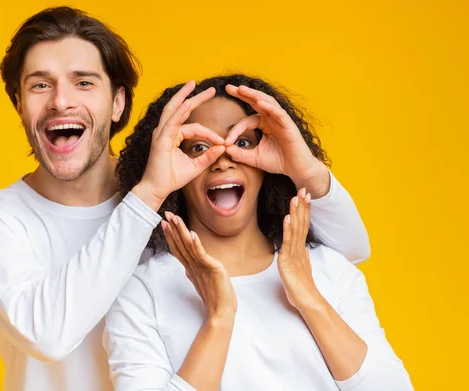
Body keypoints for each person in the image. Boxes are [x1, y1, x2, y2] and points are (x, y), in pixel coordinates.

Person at [0, 6, 370, 391]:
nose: (62, 100)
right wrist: (147, 195)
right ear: (19, 104)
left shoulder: (179, 197)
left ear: (117, 102)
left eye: (84, 82)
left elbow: (345, 251)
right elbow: (48, 333)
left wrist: (307, 170)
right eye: (40, 85)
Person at [104, 74, 413, 390]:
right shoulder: (141, 293)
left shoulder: (327, 268)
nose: (223, 160)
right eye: (199, 147)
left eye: (242, 143)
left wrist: (309, 299)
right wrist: (219, 318)